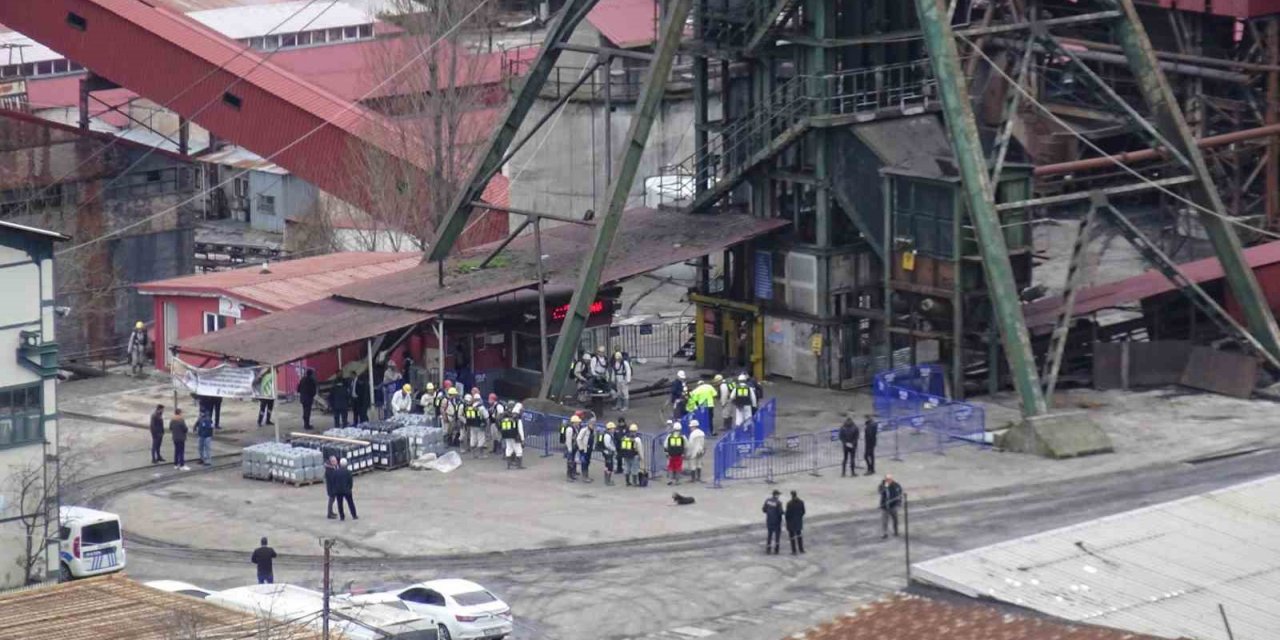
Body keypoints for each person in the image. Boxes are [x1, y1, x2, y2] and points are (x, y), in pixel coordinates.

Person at [499, 403, 525, 469]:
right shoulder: (518, 419)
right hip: (515, 436)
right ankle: (519, 465)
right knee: (519, 450)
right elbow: (520, 430)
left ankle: (508, 465)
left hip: (507, 436)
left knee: (509, 449)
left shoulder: (508, 418)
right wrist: (522, 439)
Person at [879, 474, 903, 539]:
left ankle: (896, 531)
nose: (889, 481)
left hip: (893, 506)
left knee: (895, 520)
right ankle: (884, 533)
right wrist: (885, 487)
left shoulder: (896, 485)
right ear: (885, 479)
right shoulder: (882, 485)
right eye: (887, 479)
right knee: (884, 521)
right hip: (885, 507)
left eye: (890, 479)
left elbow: (899, 494)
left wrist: (899, 503)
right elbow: (881, 492)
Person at [664, 421, 686, 485]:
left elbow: (665, 445)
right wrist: (683, 453)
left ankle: (670, 480)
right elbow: (685, 446)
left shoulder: (669, 436)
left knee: (670, 467)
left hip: (671, 455)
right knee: (678, 467)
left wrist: (667, 453)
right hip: (679, 455)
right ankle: (677, 481)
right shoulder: (682, 437)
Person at [762, 489, 783, 555]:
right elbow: (780, 512)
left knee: (769, 535)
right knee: (777, 536)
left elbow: (764, 509)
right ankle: (776, 550)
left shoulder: (767, 501)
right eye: (778, 494)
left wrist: (769, 513)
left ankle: (768, 549)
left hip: (769, 521)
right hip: (776, 522)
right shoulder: (778, 503)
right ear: (776, 495)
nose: (779, 496)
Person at [686, 419, 706, 483]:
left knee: (693, 465)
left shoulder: (692, 434)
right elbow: (704, 443)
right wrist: (704, 450)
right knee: (699, 464)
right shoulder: (702, 433)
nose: (690, 428)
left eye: (691, 427)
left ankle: (693, 478)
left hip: (694, 451)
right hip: (700, 451)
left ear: (694, 426)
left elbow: (690, 444)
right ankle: (699, 477)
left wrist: (688, 453)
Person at [562, 415, 581, 481]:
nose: (579, 423)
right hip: (570, 448)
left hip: (574, 447)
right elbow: (568, 440)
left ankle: (573, 474)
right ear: (574, 422)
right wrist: (569, 449)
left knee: (573, 461)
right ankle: (569, 476)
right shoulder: (570, 429)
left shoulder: (576, 428)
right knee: (570, 462)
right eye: (577, 422)